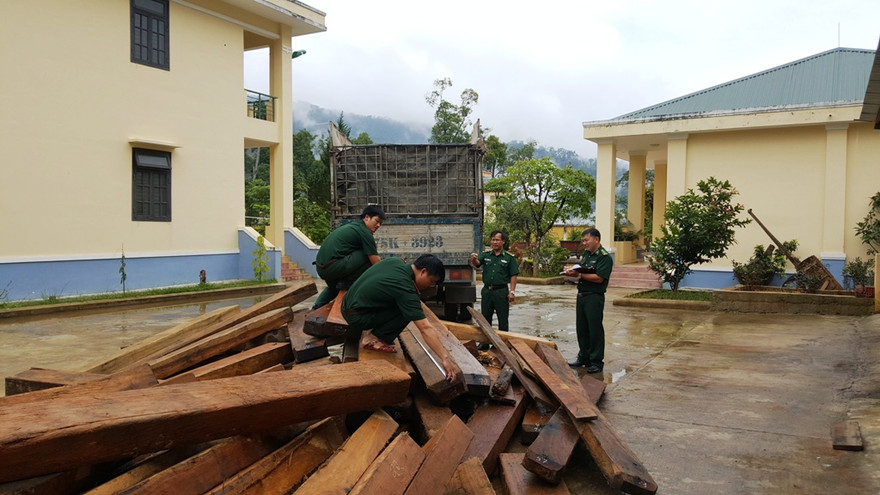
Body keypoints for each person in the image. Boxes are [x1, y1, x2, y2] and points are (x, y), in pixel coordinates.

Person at [341, 254, 457, 382]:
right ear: (423, 271)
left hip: (347, 305)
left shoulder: (395, 261)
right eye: (431, 281)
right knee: (409, 311)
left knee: (408, 307)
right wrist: (445, 358)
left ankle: (379, 335)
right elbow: (424, 328)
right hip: (356, 316)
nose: (430, 286)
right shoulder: (405, 287)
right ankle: (373, 339)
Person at [312, 205, 385, 309]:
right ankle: (349, 282)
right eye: (377, 221)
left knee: (333, 288)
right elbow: (376, 263)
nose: (378, 225)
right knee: (367, 257)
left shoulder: (353, 227)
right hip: (332, 267)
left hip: (322, 268)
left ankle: (315, 308)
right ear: (367, 217)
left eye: (380, 223)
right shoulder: (364, 232)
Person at [563, 228, 613, 374]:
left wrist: (578, 274)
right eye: (583, 240)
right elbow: (583, 271)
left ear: (596, 239)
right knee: (582, 328)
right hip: (582, 295)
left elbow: (599, 278)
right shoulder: (587, 255)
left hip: (594, 297)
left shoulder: (604, 257)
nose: (584, 243)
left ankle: (596, 361)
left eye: (586, 240)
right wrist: (573, 271)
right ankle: (584, 357)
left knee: (594, 329)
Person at [470, 230, 519, 331]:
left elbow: (513, 275)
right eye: (493, 240)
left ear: (503, 242)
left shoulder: (509, 258)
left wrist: (512, 292)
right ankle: (486, 339)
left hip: (501, 292)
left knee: (503, 319)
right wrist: (474, 259)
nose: (495, 242)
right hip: (487, 291)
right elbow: (477, 263)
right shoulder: (486, 255)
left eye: (497, 240)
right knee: (485, 319)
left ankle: (503, 339)